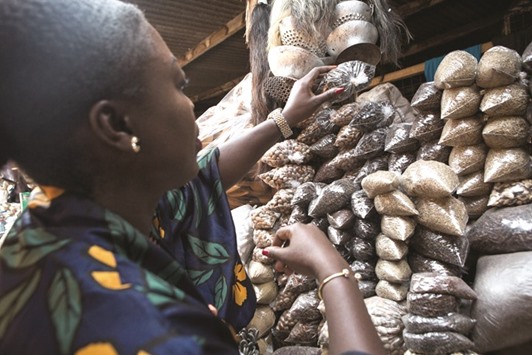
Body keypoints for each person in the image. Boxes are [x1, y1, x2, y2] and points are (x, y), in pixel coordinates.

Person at [0, 0, 385, 354]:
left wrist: (284, 119)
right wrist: (331, 268)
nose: (191, 105)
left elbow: (203, 177)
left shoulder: (56, 217)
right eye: (179, 85)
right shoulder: (161, 335)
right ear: (116, 125)